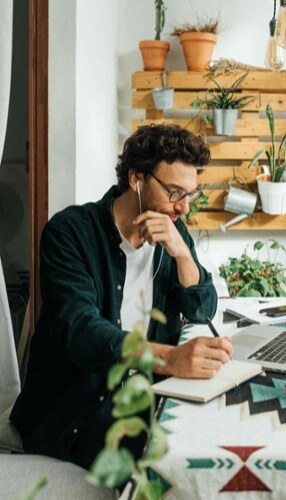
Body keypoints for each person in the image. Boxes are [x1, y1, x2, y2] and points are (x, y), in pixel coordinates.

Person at [10, 124, 233, 469]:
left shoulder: (173, 229)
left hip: (144, 393)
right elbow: (82, 333)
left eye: (191, 194)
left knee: (221, 436)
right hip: (75, 409)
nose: (184, 207)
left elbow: (202, 309)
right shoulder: (70, 232)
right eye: (175, 192)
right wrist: (171, 359)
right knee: (178, 468)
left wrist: (183, 254)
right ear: (136, 179)